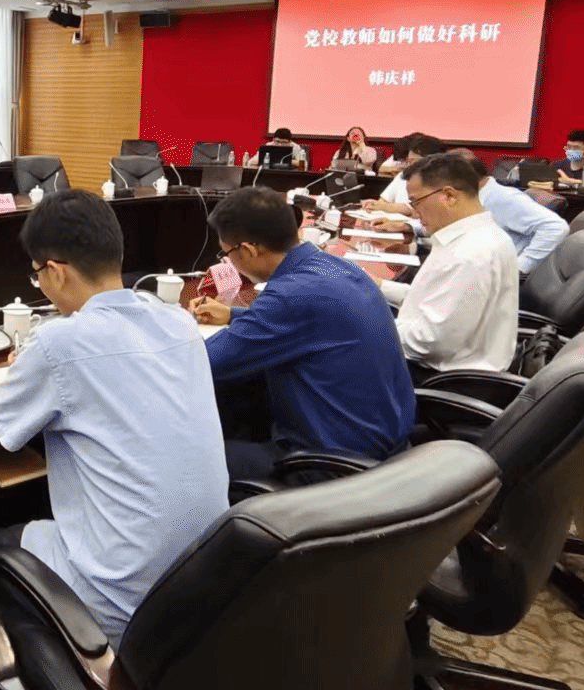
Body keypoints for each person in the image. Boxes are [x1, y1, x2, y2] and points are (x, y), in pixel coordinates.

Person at [0, 190, 228, 644]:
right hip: (203, 587)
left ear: (55, 272)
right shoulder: (178, 322)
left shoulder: (61, 342)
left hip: (117, 602)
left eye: (37, 274)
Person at [189, 187, 414, 480]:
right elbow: (315, 323)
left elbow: (204, 363)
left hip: (331, 464)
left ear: (249, 250)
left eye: (227, 253)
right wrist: (233, 314)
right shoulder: (337, 267)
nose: (229, 261)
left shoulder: (290, 295)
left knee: (183, 458)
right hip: (385, 444)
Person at [381, 152, 519, 375]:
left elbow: (429, 342)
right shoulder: (472, 237)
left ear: (449, 196)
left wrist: (369, 328)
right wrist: (379, 286)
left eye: (416, 202)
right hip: (434, 356)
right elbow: (431, 303)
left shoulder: (471, 254)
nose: (414, 212)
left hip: (434, 374)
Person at [452, 148, 569, 276]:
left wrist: (520, 266)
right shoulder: (474, 196)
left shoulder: (502, 197)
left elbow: (556, 227)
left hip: (493, 274)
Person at [365, 133, 445, 212]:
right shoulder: (403, 176)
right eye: (408, 161)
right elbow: (383, 201)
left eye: (413, 162)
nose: (409, 166)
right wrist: (374, 205)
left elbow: (417, 211)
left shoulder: (440, 182)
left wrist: (386, 207)